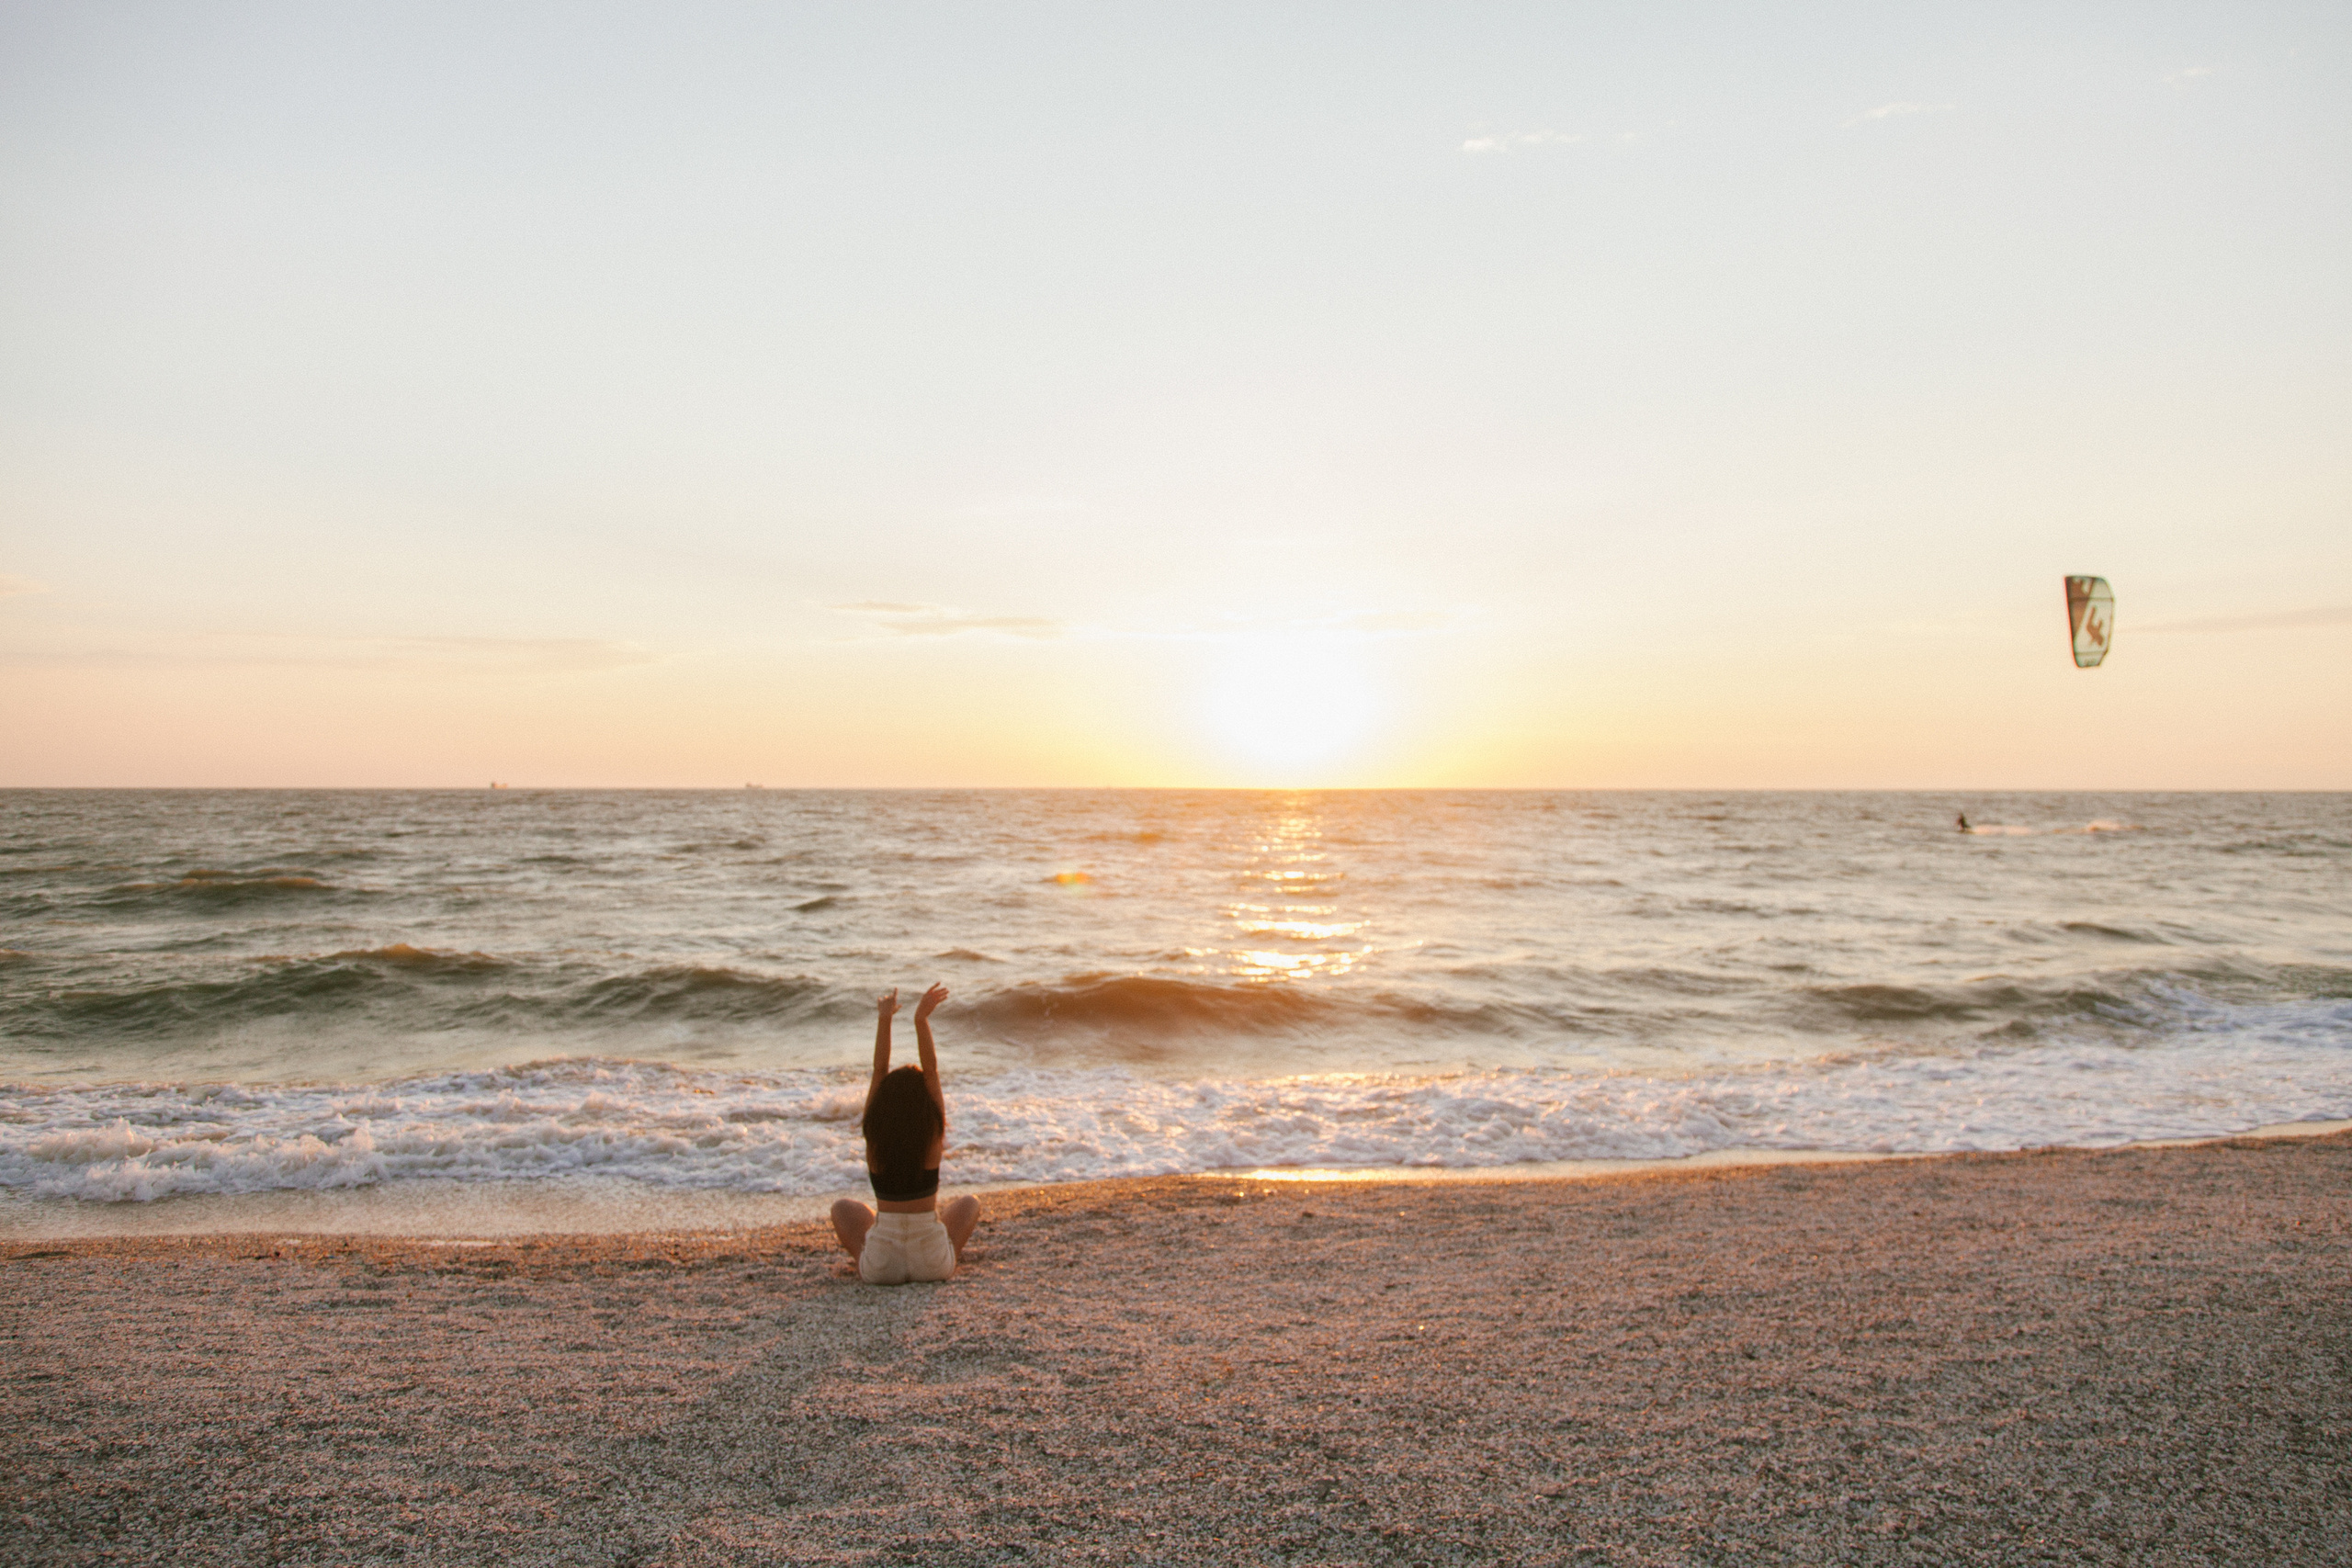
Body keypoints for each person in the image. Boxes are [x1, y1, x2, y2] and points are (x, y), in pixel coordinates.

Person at [830, 983, 981, 1283]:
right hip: (933, 1264)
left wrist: (884, 1019)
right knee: (970, 1204)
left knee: (842, 1209)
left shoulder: (875, 1136)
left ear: (883, 1106)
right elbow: (932, 1070)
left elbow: (878, 1070)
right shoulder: (932, 1134)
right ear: (924, 1106)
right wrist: (920, 1020)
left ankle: (864, 1261)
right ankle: (945, 1255)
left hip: (880, 1266)